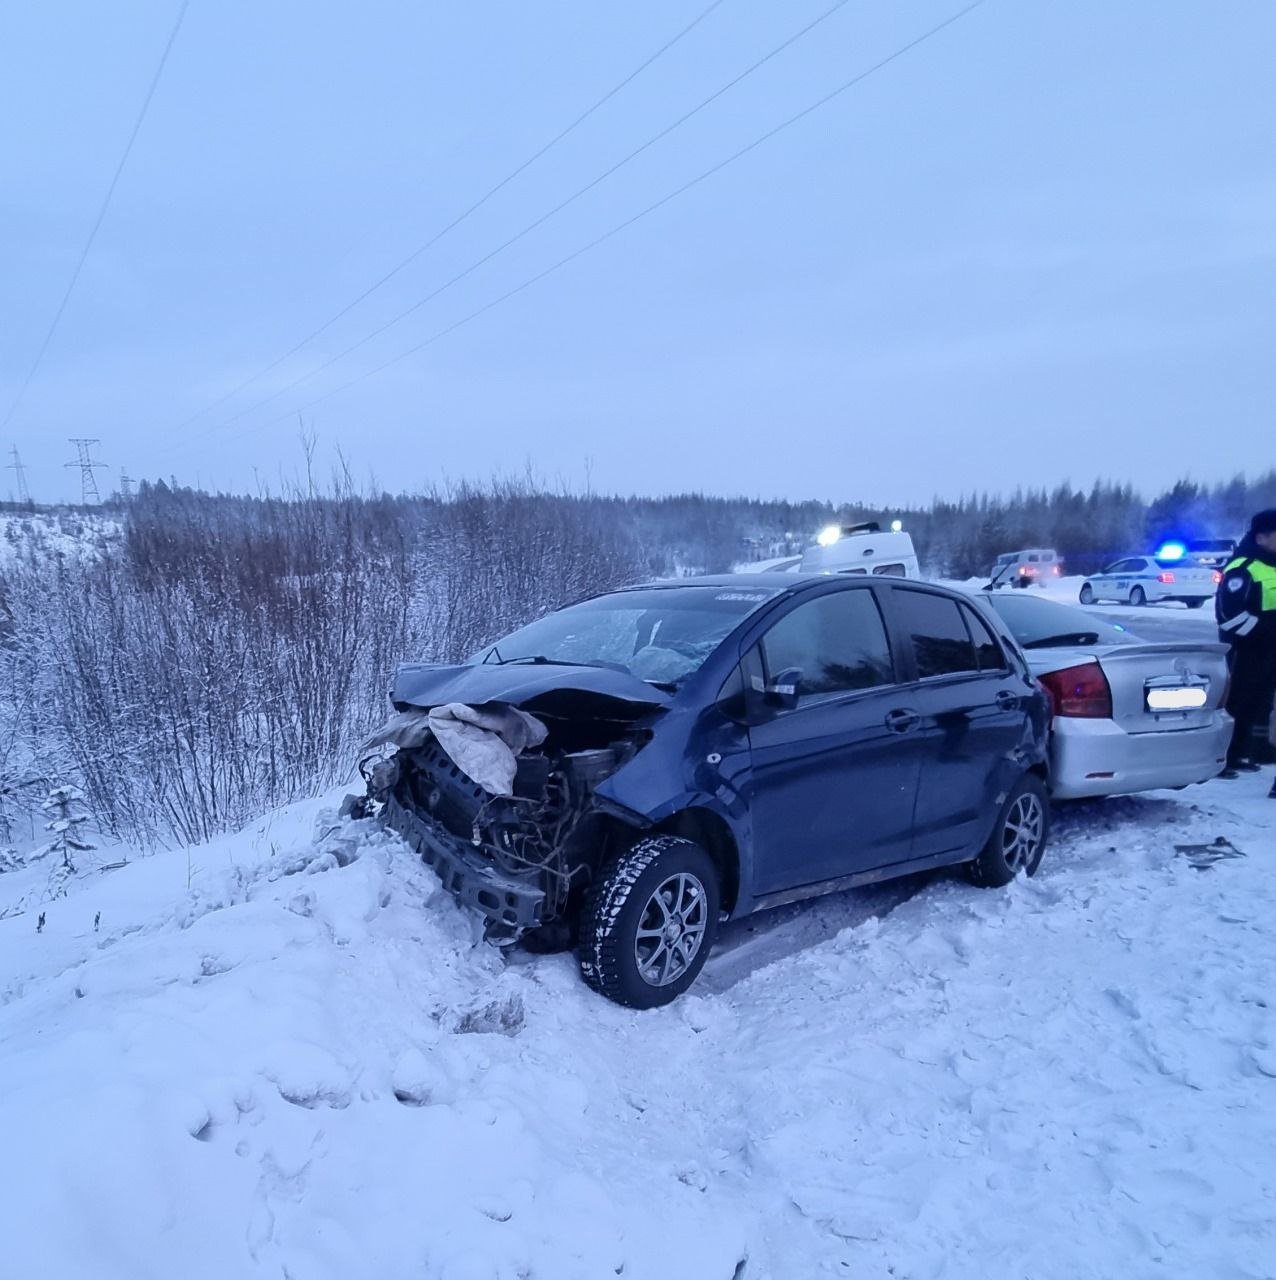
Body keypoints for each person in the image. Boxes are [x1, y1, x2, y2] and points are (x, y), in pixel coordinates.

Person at [1216, 509, 1276, 789]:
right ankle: (1223, 757)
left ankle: (1249, 750)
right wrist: (1265, 632)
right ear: (1262, 536)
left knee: (1261, 702)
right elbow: (1230, 614)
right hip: (1246, 649)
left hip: (1269, 649)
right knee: (1237, 701)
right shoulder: (1243, 566)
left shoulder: (1271, 564)